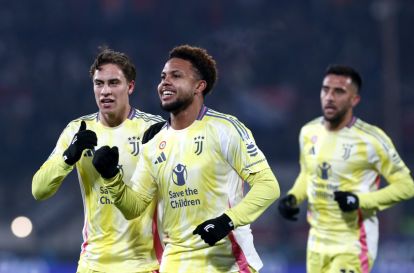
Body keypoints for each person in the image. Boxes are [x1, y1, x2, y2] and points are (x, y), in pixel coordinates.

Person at [91, 45, 281, 273]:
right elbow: (135, 207)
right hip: (174, 263)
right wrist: (111, 176)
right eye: (163, 77)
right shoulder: (153, 144)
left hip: (226, 263)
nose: (165, 82)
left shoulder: (225, 129)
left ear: (199, 86)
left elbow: (268, 186)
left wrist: (227, 221)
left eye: (176, 76)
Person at [32, 47, 164, 273]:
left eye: (114, 83)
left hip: (142, 264)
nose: (105, 91)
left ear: (130, 86)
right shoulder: (78, 130)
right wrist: (69, 156)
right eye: (99, 83)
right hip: (92, 264)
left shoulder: (153, 129)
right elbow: (39, 189)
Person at [278, 64, 414, 273]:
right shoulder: (308, 131)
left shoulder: (371, 139)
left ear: (354, 100)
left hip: (353, 243)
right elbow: (308, 174)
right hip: (316, 243)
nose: (330, 97)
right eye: (326, 90)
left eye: (339, 91)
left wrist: (360, 201)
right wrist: (294, 197)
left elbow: (406, 186)